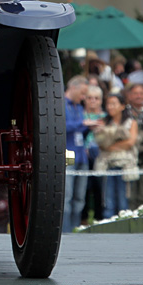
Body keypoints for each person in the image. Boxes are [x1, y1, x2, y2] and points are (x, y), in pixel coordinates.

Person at [94, 92, 138, 220]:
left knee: (123, 200)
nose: (110, 107)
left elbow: (130, 142)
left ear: (122, 106)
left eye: (113, 104)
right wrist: (116, 144)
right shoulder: (103, 122)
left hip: (125, 166)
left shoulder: (131, 122)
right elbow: (100, 143)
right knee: (108, 200)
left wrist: (110, 146)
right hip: (107, 165)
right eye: (108, 104)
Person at [63, 75, 88, 232]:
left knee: (80, 196)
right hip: (68, 155)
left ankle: (75, 228)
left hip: (81, 155)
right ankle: (65, 229)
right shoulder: (61, 104)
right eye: (83, 93)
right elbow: (60, 126)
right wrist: (82, 123)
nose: (84, 97)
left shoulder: (79, 107)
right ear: (73, 88)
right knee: (67, 195)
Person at [82, 85, 106, 223]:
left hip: (100, 154)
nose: (93, 101)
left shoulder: (105, 117)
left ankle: (99, 218)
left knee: (99, 187)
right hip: (83, 154)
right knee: (84, 188)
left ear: (101, 101)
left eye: (96, 98)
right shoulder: (80, 114)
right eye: (89, 98)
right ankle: (83, 219)